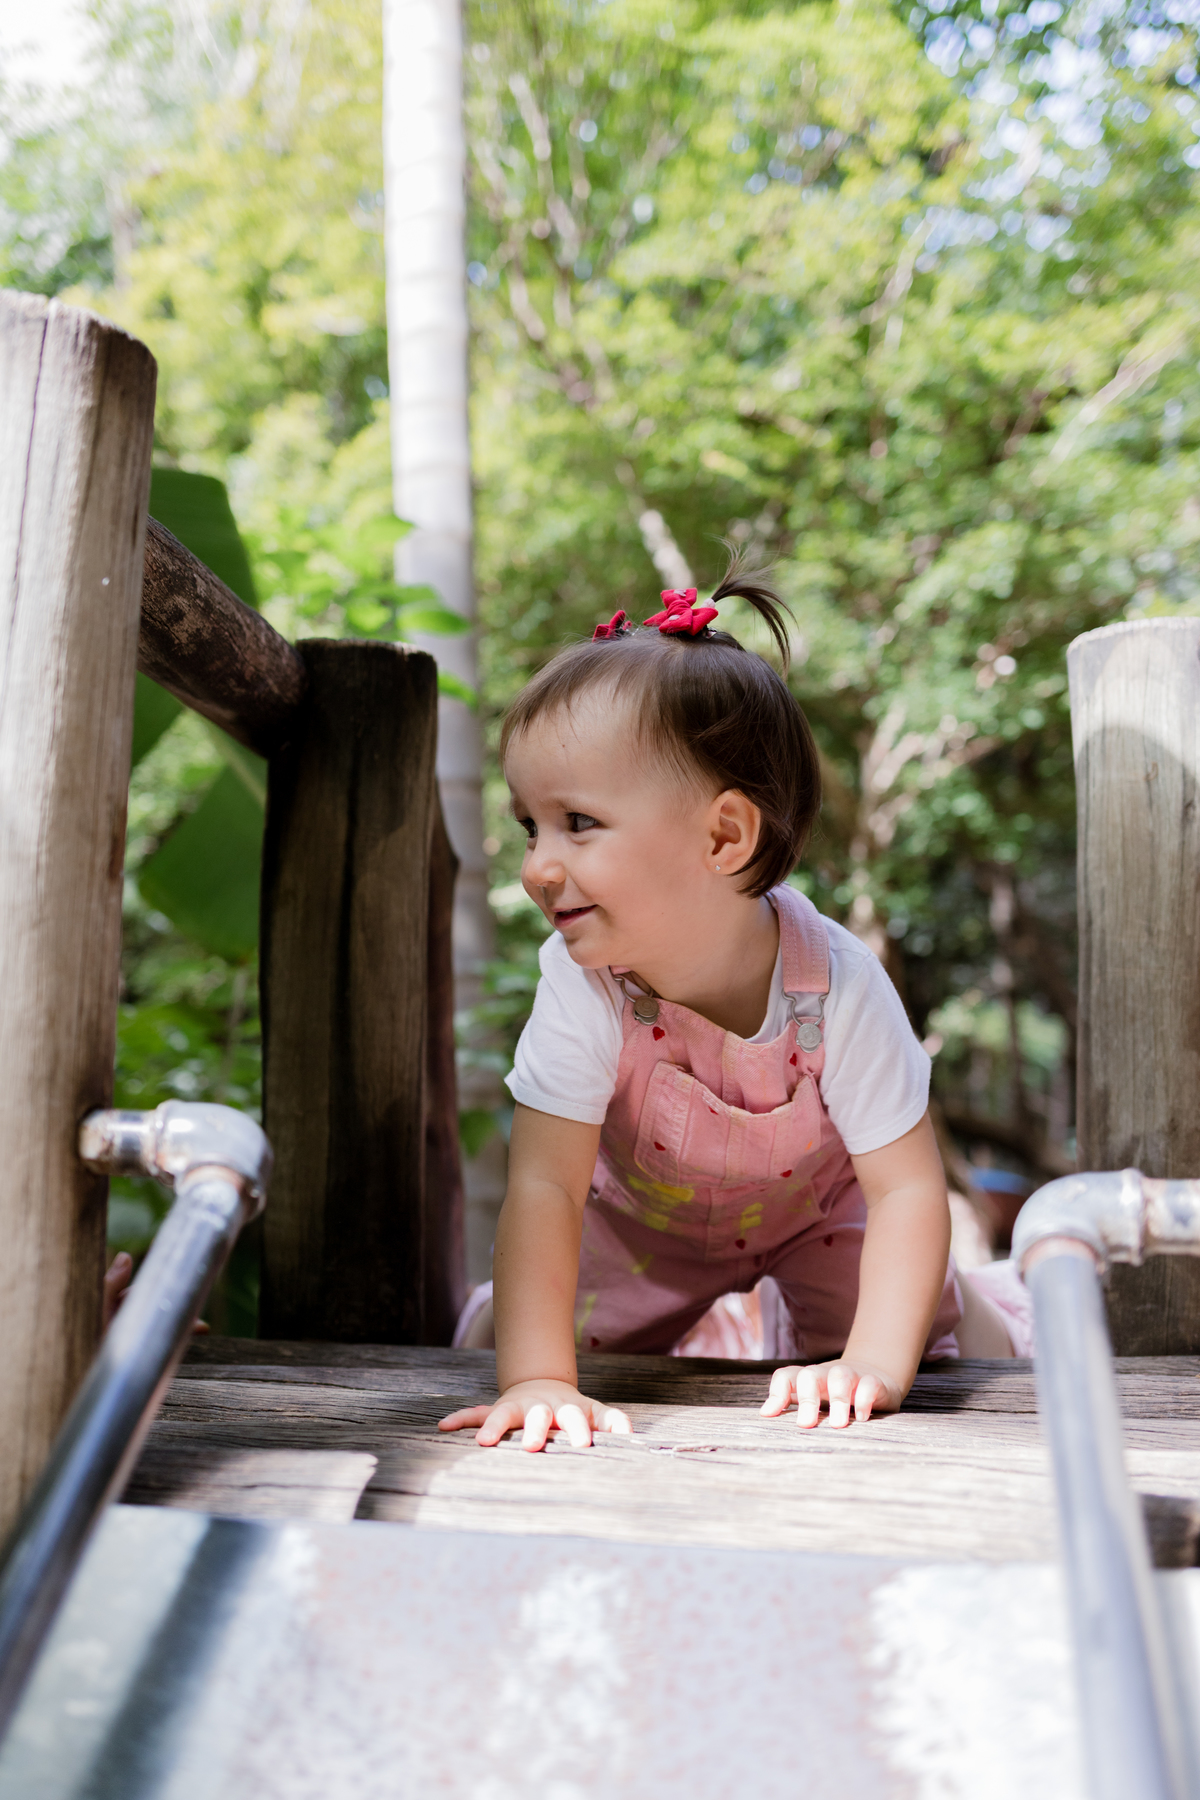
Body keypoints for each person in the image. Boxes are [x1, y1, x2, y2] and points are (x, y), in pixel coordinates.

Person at [440, 557, 1030, 1455]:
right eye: (530, 827)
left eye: (578, 824)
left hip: (821, 1218)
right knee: (519, 1345)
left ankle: (996, 1317)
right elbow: (546, 1185)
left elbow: (907, 1189)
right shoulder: (580, 982)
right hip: (639, 1230)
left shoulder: (837, 982)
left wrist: (872, 1364)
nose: (537, 867)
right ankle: (555, 1333)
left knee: (929, 1339)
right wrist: (537, 1379)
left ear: (724, 836)